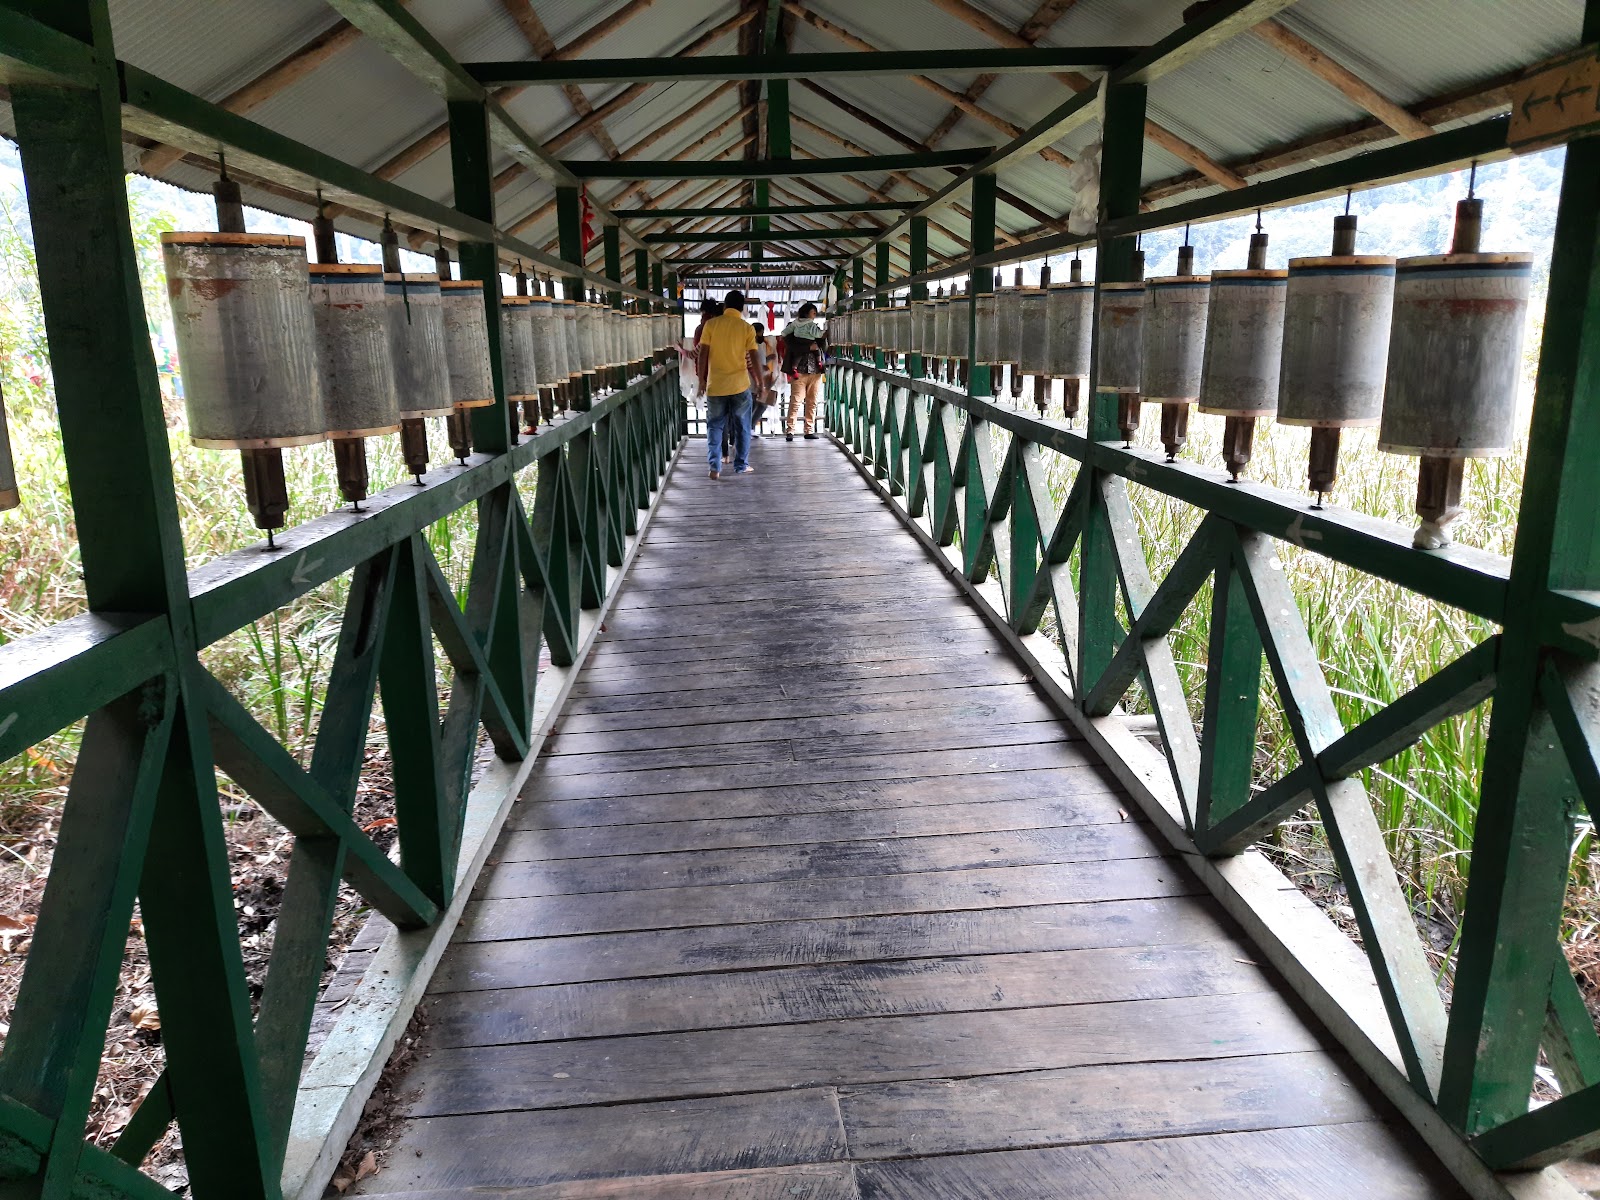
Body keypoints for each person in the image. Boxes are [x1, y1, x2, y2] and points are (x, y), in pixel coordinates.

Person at [695, 291, 762, 479]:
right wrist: (760, 381)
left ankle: (714, 467)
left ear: (725, 306)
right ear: (742, 308)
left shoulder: (711, 325)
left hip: (715, 386)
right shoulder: (746, 328)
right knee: (742, 427)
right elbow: (754, 357)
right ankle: (741, 465)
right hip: (739, 386)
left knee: (715, 426)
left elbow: (702, 354)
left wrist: (701, 380)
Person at [780, 302, 827, 441]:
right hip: (800, 372)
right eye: (813, 312)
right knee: (796, 401)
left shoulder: (809, 327)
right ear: (807, 313)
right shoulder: (794, 330)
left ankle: (808, 430)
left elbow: (822, 346)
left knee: (812, 402)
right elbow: (791, 344)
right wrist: (809, 347)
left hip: (814, 372)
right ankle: (790, 430)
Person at [750, 319, 777, 438]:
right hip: (751, 378)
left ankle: (750, 426)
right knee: (753, 404)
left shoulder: (763, 344)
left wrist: (769, 359)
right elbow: (750, 361)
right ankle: (747, 428)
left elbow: (762, 360)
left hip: (763, 377)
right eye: (760, 332)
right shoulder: (749, 344)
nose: (761, 334)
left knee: (762, 404)